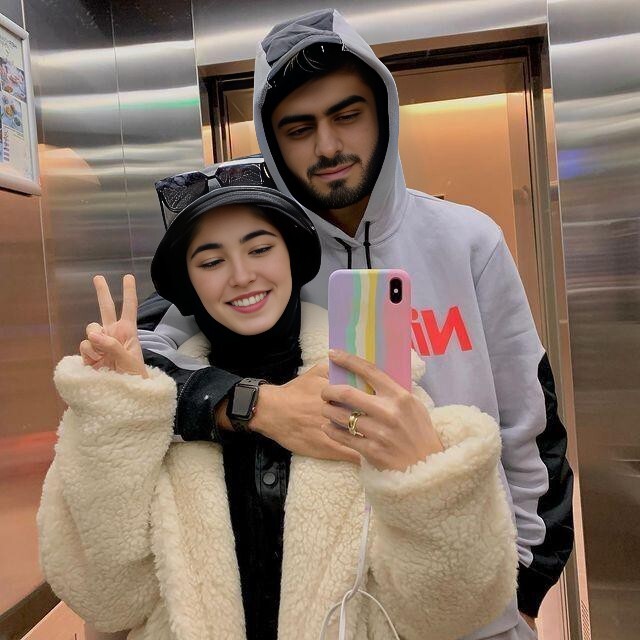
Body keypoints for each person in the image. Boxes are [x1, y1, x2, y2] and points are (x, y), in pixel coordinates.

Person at [138, 9, 574, 639]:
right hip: (337, 607)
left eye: (347, 115)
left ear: (383, 113)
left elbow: (531, 424)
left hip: (471, 593)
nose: (328, 147)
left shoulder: (469, 242)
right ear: (272, 142)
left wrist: (523, 589)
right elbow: (138, 356)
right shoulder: (267, 257)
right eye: (299, 128)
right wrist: (254, 405)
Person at [37, 165, 518, 640]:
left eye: (261, 249)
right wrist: (115, 412)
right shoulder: (155, 408)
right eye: (210, 262)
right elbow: (106, 596)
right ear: (188, 283)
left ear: (293, 255)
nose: (242, 275)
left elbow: (449, 611)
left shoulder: (372, 390)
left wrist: (427, 492)